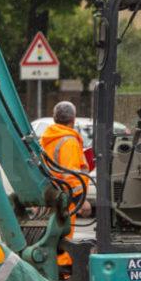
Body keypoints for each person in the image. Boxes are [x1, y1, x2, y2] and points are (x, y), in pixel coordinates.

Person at [38, 101, 88, 271]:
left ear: (54, 118)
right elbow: (72, 176)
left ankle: (51, 267)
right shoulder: (69, 141)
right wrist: (82, 200)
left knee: (52, 235)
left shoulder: (47, 139)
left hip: (51, 194)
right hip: (66, 198)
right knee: (63, 236)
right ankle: (62, 270)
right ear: (73, 119)